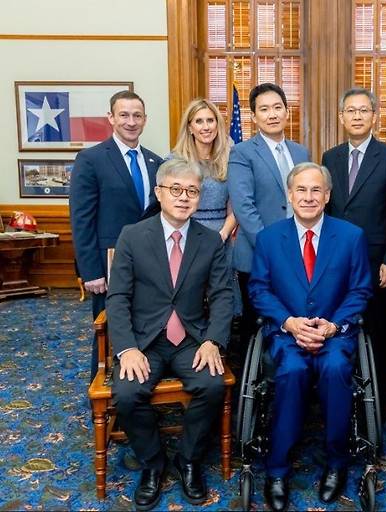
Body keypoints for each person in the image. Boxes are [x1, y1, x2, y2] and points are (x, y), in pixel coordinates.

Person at [107, 158, 233, 511]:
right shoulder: (132, 235)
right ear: (159, 193)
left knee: (212, 386)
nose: (183, 197)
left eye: (191, 190)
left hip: (191, 339)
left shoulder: (209, 241)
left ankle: (188, 460)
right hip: (145, 340)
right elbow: (118, 298)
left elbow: (223, 295)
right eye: (175, 189)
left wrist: (213, 340)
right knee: (128, 393)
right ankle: (153, 463)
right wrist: (126, 348)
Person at [249, 162, 372, 511]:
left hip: (335, 331)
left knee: (335, 370)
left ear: (328, 195)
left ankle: (337, 462)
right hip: (287, 333)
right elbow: (259, 290)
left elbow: (361, 290)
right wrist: (288, 322)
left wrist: (333, 325)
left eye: (316, 190)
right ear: (289, 194)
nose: (308, 196)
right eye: (301, 189)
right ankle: (277, 469)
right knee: (292, 371)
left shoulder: (351, 236)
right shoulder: (270, 238)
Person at [322, 87, 386, 400]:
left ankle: (379, 396)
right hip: (336, 261)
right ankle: (340, 391)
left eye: (363, 110)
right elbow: (327, 210)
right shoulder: (329, 157)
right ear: (341, 117)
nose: (357, 116)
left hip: (377, 263)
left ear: (374, 116)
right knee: (338, 326)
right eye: (351, 110)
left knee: (376, 330)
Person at [70, 90, 163, 381]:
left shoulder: (155, 162)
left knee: (145, 325)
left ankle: (136, 387)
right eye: (124, 115)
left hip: (149, 262)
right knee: (108, 329)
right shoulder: (91, 159)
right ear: (111, 118)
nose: (131, 121)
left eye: (137, 115)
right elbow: (81, 219)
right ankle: (103, 392)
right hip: (107, 266)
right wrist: (90, 271)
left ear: (145, 120)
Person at [228, 83, 310, 353]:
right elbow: (244, 206)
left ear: (287, 111)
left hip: (299, 254)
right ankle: (252, 390)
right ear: (254, 117)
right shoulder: (242, 152)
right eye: (264, 109)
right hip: (257, 256)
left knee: (294, 323)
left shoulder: (301, 153)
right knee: (257, 326)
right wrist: (273, 248)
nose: (272, 114)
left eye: (277, 107)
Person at [171, 98, 240, 315]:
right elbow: (171, 205)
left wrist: (222, 234)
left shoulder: (231, 158)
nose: (206, 126)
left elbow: (236, 204)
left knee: (222, 300)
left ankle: (223, 345)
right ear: (190, 127)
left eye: (210, 120)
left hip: (222, 236)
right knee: (188, 300)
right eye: (199, 121)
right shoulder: (174, 160)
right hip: (186, 234)